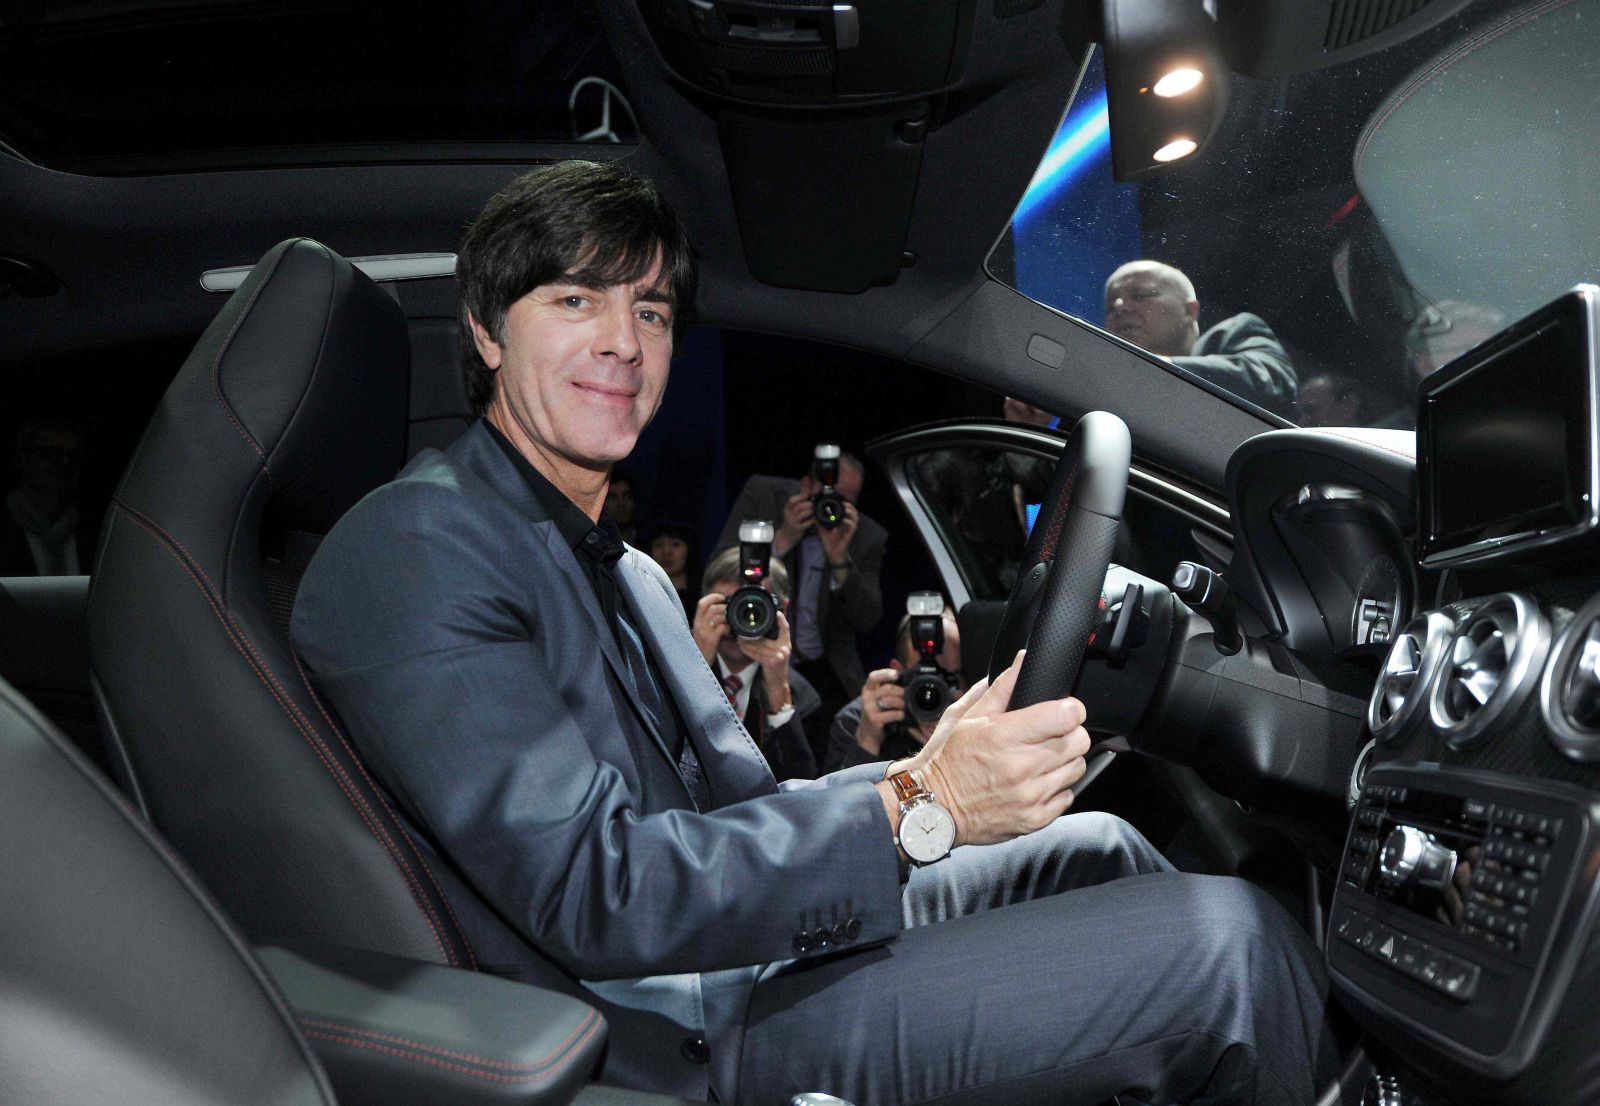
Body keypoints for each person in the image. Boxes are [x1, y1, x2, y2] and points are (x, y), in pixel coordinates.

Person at [292, 160, 1340, 1104]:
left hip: (729, 955)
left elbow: (736, 812)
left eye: (650, 310)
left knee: (1095, 846)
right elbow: (597, 891)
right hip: (678, 1035)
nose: (623, 341)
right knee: (1233, 951)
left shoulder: (607, 563)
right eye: (576, 299)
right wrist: (924, 804)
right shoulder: (421, 543)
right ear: (487, 328)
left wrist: (924, 772)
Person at [713, 455, 886, 766]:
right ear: (806, 486)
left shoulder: (867, 536)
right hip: (749, 651)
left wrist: (839, 558)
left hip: (825, 670)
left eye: (843, 501)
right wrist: (784, 538)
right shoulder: (765, 499)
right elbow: (716, 574)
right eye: (825, 493)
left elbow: (867, 619)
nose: (831, 505)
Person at [1104, 259, 1298, 416]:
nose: (1119, 308)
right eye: (1111, 306)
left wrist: (1159, 368)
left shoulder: (1233, 331)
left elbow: (1274, 380)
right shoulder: (1108, 386)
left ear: (1190, 311)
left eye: (1139, 296)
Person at [691, 547, 817, 782]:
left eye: (754, 606)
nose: (740, 619)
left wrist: (779, 692)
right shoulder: (666, 670)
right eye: (730, 605)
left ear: (782, 611)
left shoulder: (803, 696)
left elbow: (802, 788)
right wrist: (693, 665)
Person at [825, 603, 962, 773]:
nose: (934, 691)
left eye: (950, 678)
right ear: (897, 673)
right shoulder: (859, 720)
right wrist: (868, 741)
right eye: (924, 678)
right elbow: (836, 791)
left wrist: (957, 749)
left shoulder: (976, 714)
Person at [1, 418, 96, 576]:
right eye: (51, 454)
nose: (64, 462)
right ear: (22, 460)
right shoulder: (5, 529)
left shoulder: (94, 534)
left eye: (72, 456)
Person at [647, 520, 701, 621]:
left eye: (676, 545)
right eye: (659, 545)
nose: (666, 552)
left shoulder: (703, 593)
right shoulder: (642, 595)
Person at [605, 468, 639, 544]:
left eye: (627, 496)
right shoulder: (594, 543)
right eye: (612, 497)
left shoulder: (649, 542)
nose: (621, 503)